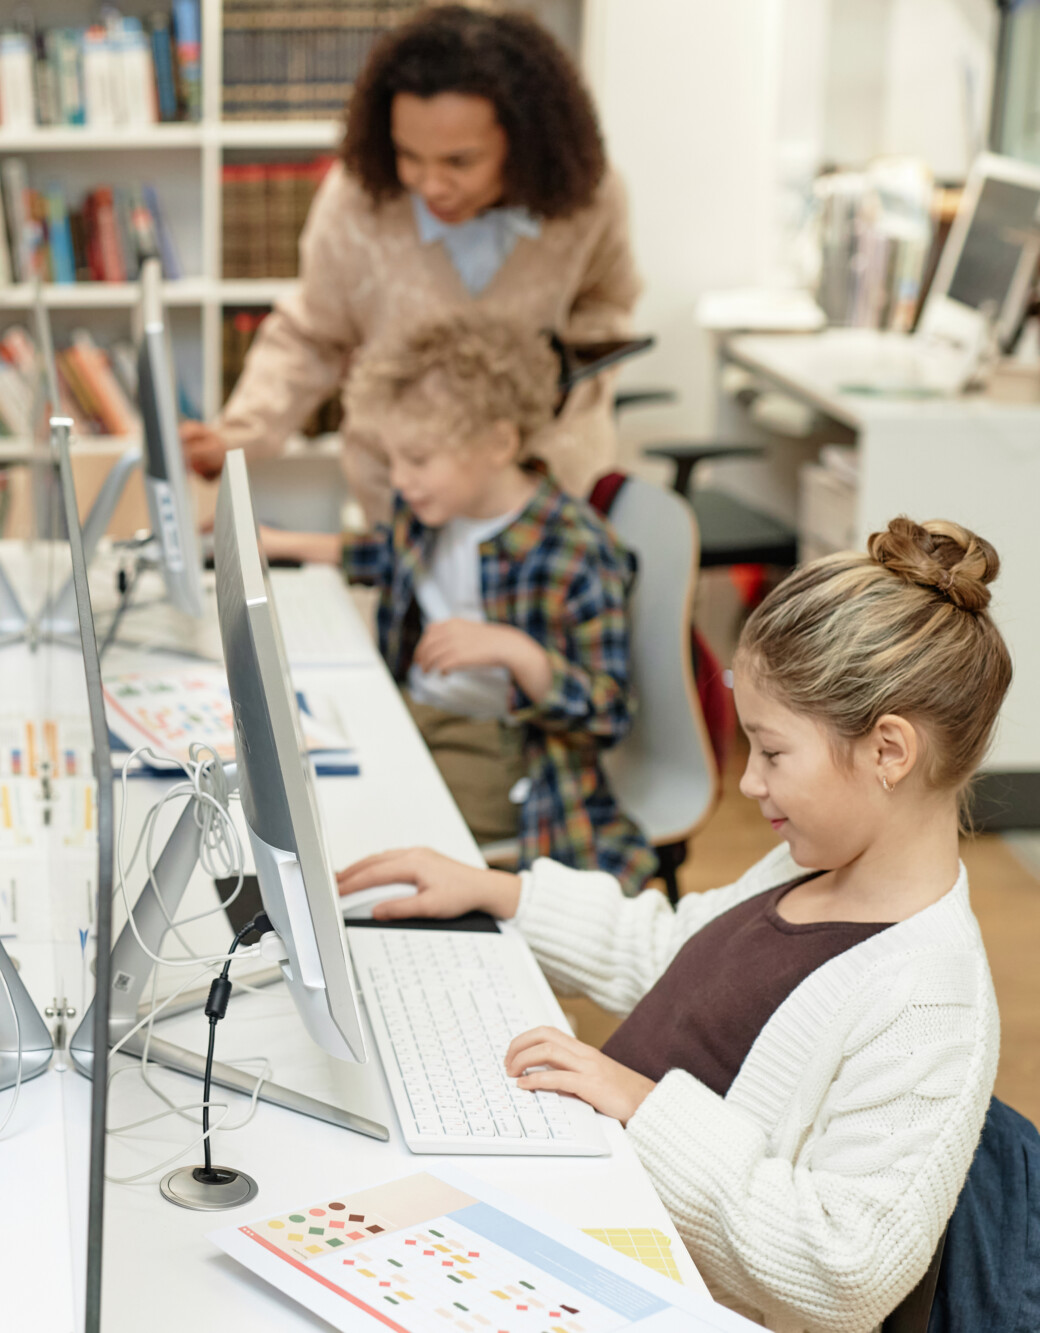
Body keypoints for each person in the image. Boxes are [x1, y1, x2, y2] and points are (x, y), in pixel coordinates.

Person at [340, 518, 1007, 1333]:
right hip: (602, 1199)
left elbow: (848, 1272)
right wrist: (502, 891)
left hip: (662, 1287)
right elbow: (674, 954)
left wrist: (643, 1108)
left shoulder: (929, 1002)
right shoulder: (812, 861)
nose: (751, 783)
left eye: (770, 751)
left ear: (889, 751)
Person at [183, 3, 639, 523]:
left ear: (527, 140)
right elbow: (312, 332)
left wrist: (556, 417)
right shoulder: (358, 199)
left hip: (538, 497)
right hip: (398, 498)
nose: (430, 185)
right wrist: (238, 433)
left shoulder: (589, 199)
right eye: (409, 156)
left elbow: (606, 310)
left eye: (459, 162)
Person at [269, 313, 654, 887]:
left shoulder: (576, 551)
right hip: (417, 710)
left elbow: (607, 711)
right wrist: (279, 543)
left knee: (356, 826)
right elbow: (386, 554)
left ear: (499, 443)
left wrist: (518, 652)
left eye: (418, 460)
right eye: (393, 460)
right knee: (295, 777)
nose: (400, 481)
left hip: (506, 748)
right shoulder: (438, 511)